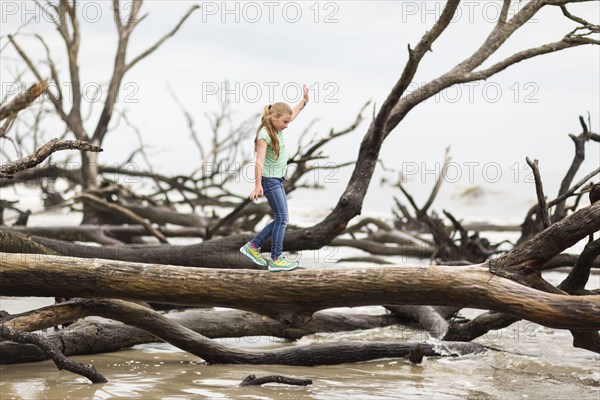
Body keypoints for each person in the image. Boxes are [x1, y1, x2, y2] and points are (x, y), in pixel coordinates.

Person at [239, 84, 309, 272]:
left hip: (277, 180)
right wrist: (257, 185)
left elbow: (291, 114)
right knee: (282, 218)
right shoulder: (264, 135)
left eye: (288, 122)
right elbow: (259, 161)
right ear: (274, 117)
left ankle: (253, 246)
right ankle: (276, 258)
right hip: (269, 181)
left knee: (281, 218)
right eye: (285, 122)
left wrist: (303, 102)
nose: (287, 125)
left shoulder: (276, 127)